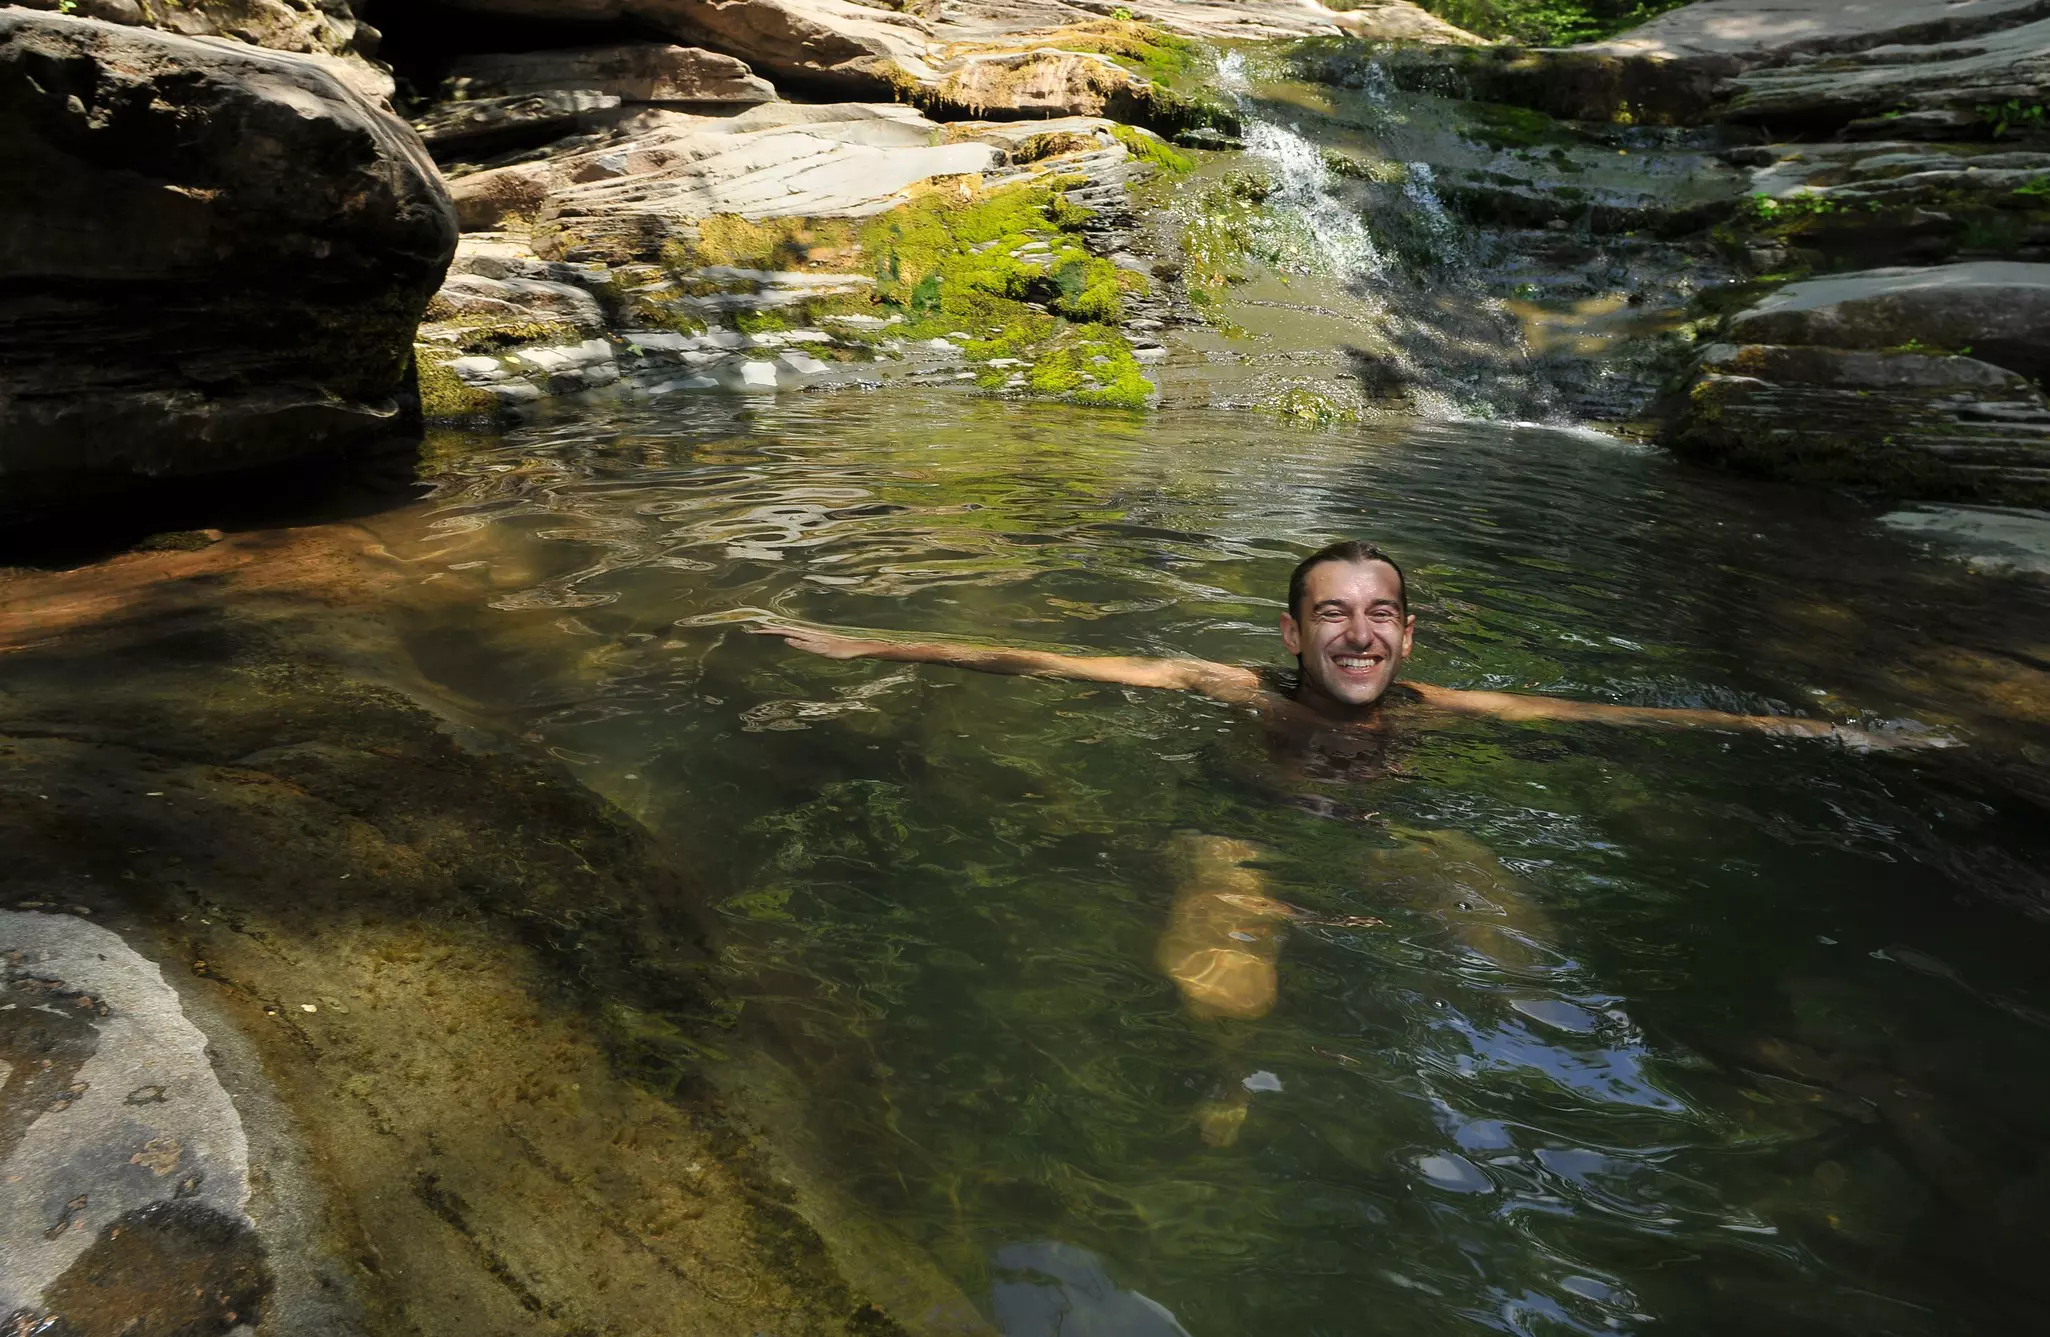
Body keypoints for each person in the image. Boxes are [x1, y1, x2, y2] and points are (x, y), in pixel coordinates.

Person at [749, 538, 1945, 751]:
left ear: (1408, 633)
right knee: (1230, 967)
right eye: (1332, 612)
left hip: (1381, 848)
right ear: (1291, 630)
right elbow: (1039, 660)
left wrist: (1812, 729)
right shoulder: (1231, 687)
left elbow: (1621, 716)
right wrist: (863, 645)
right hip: (1251, 835)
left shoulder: (1440, 708)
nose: (1358, 633)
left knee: (1495, 925)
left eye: (1378, 614)